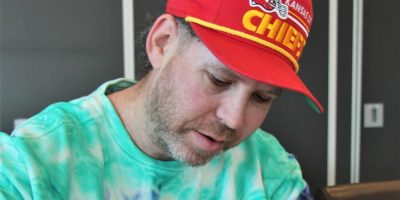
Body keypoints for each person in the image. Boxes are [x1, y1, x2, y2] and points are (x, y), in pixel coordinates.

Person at [0, 0, 323, 199]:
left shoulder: (267, 167)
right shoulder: (32, 164)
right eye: (218, 80)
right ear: (163, 42)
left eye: (262, 98)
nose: (235, 120)